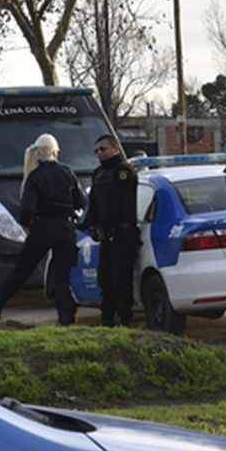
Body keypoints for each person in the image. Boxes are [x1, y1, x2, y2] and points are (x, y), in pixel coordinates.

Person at [0, 133, 86, 325]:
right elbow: (81, 201)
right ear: (55, 153)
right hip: (65, 228)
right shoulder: (68, 173)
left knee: (21, 270)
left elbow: (27, 209)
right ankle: (66, 318)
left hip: (42, 228)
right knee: (61, 276)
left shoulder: (34, 178)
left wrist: (28, 224)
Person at [82, 134, 139, 327]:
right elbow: (95, 204)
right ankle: (106, 318)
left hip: (123, 233)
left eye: (103, 149)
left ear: (115, 149)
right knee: (104, 278)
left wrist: (105, 227)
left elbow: (119, 202)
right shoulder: (98, 173)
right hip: (106, 236)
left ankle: (124, 318)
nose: (100, 153)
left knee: (121, 279)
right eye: (96, 150)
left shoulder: (124, 171)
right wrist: (92, 226)